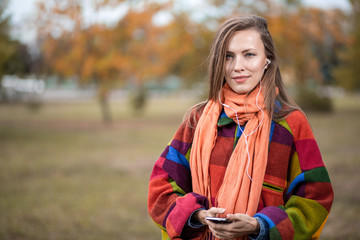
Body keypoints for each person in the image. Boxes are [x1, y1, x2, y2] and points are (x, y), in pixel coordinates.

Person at [147, 15, 333, 240]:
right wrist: (198, 216)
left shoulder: (290, 124)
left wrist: (260, 226)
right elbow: (161, 187)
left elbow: (314, 199)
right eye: (228, 57)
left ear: (268, 60)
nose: (238, 67)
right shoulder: (197, 120)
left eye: (249, 55)